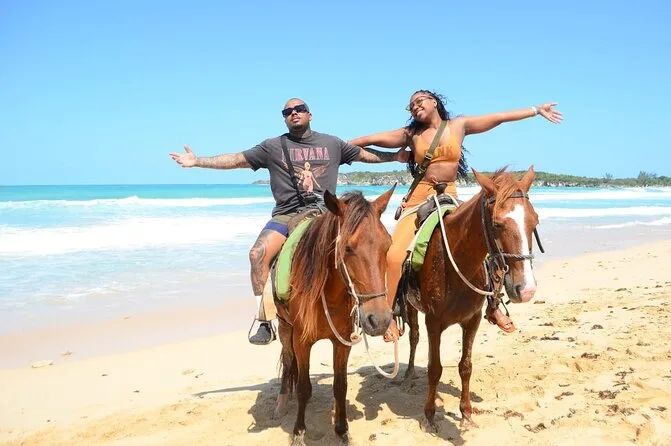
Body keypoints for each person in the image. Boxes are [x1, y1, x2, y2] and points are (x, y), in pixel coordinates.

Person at [169, 98, 407, 345]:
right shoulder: (272, 147)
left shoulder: (332, 143)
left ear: (310, 115)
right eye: (287, 111)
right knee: (257, 254)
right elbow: (237, 159)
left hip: (326, 215)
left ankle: (362, 306)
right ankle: (264, 319)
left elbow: (364, 155)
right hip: (287, 215)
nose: (294, 113)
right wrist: (198, 161)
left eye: (299, 109)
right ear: (284, 118)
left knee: (361, 249)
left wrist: (395, 157)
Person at [349, 90, 563, 341]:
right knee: (395, 256)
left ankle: (493, 304)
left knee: (486, 241)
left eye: (419, 101)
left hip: (449, 194)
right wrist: (339, 147)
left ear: (434, 102)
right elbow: (367, 140)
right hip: (419, 199)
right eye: (411, 106)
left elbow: (500, 117)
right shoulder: (410, 134)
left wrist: (536, 110)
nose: (415, 107)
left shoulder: (458, 126)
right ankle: (392, 313)